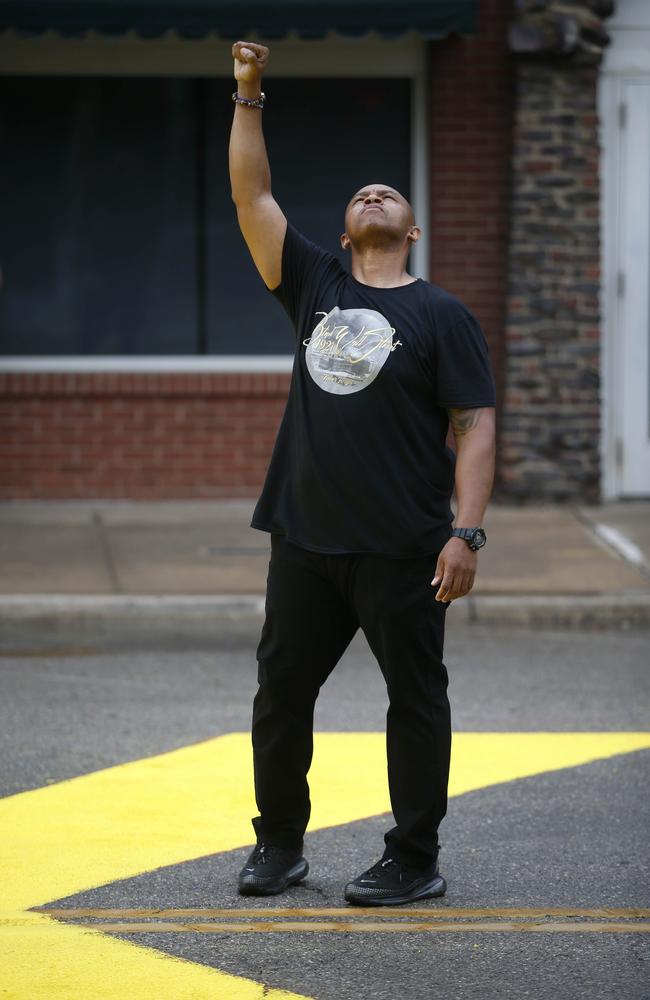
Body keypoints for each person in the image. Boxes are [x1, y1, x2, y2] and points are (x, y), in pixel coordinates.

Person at [229, 40, 496, 907]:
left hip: (403, 546)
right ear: (348, 233)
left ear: (411, 228)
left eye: (390, 192)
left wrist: (466, 531)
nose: (373, 192)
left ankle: (413, 859)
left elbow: (476, 423)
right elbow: (252, 194)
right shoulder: (315, 283)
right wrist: (249, 93)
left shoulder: (440, 313)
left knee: (415, 701)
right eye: (359, 195)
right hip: (305, 537)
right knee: (280, 697)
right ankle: (279, 845)